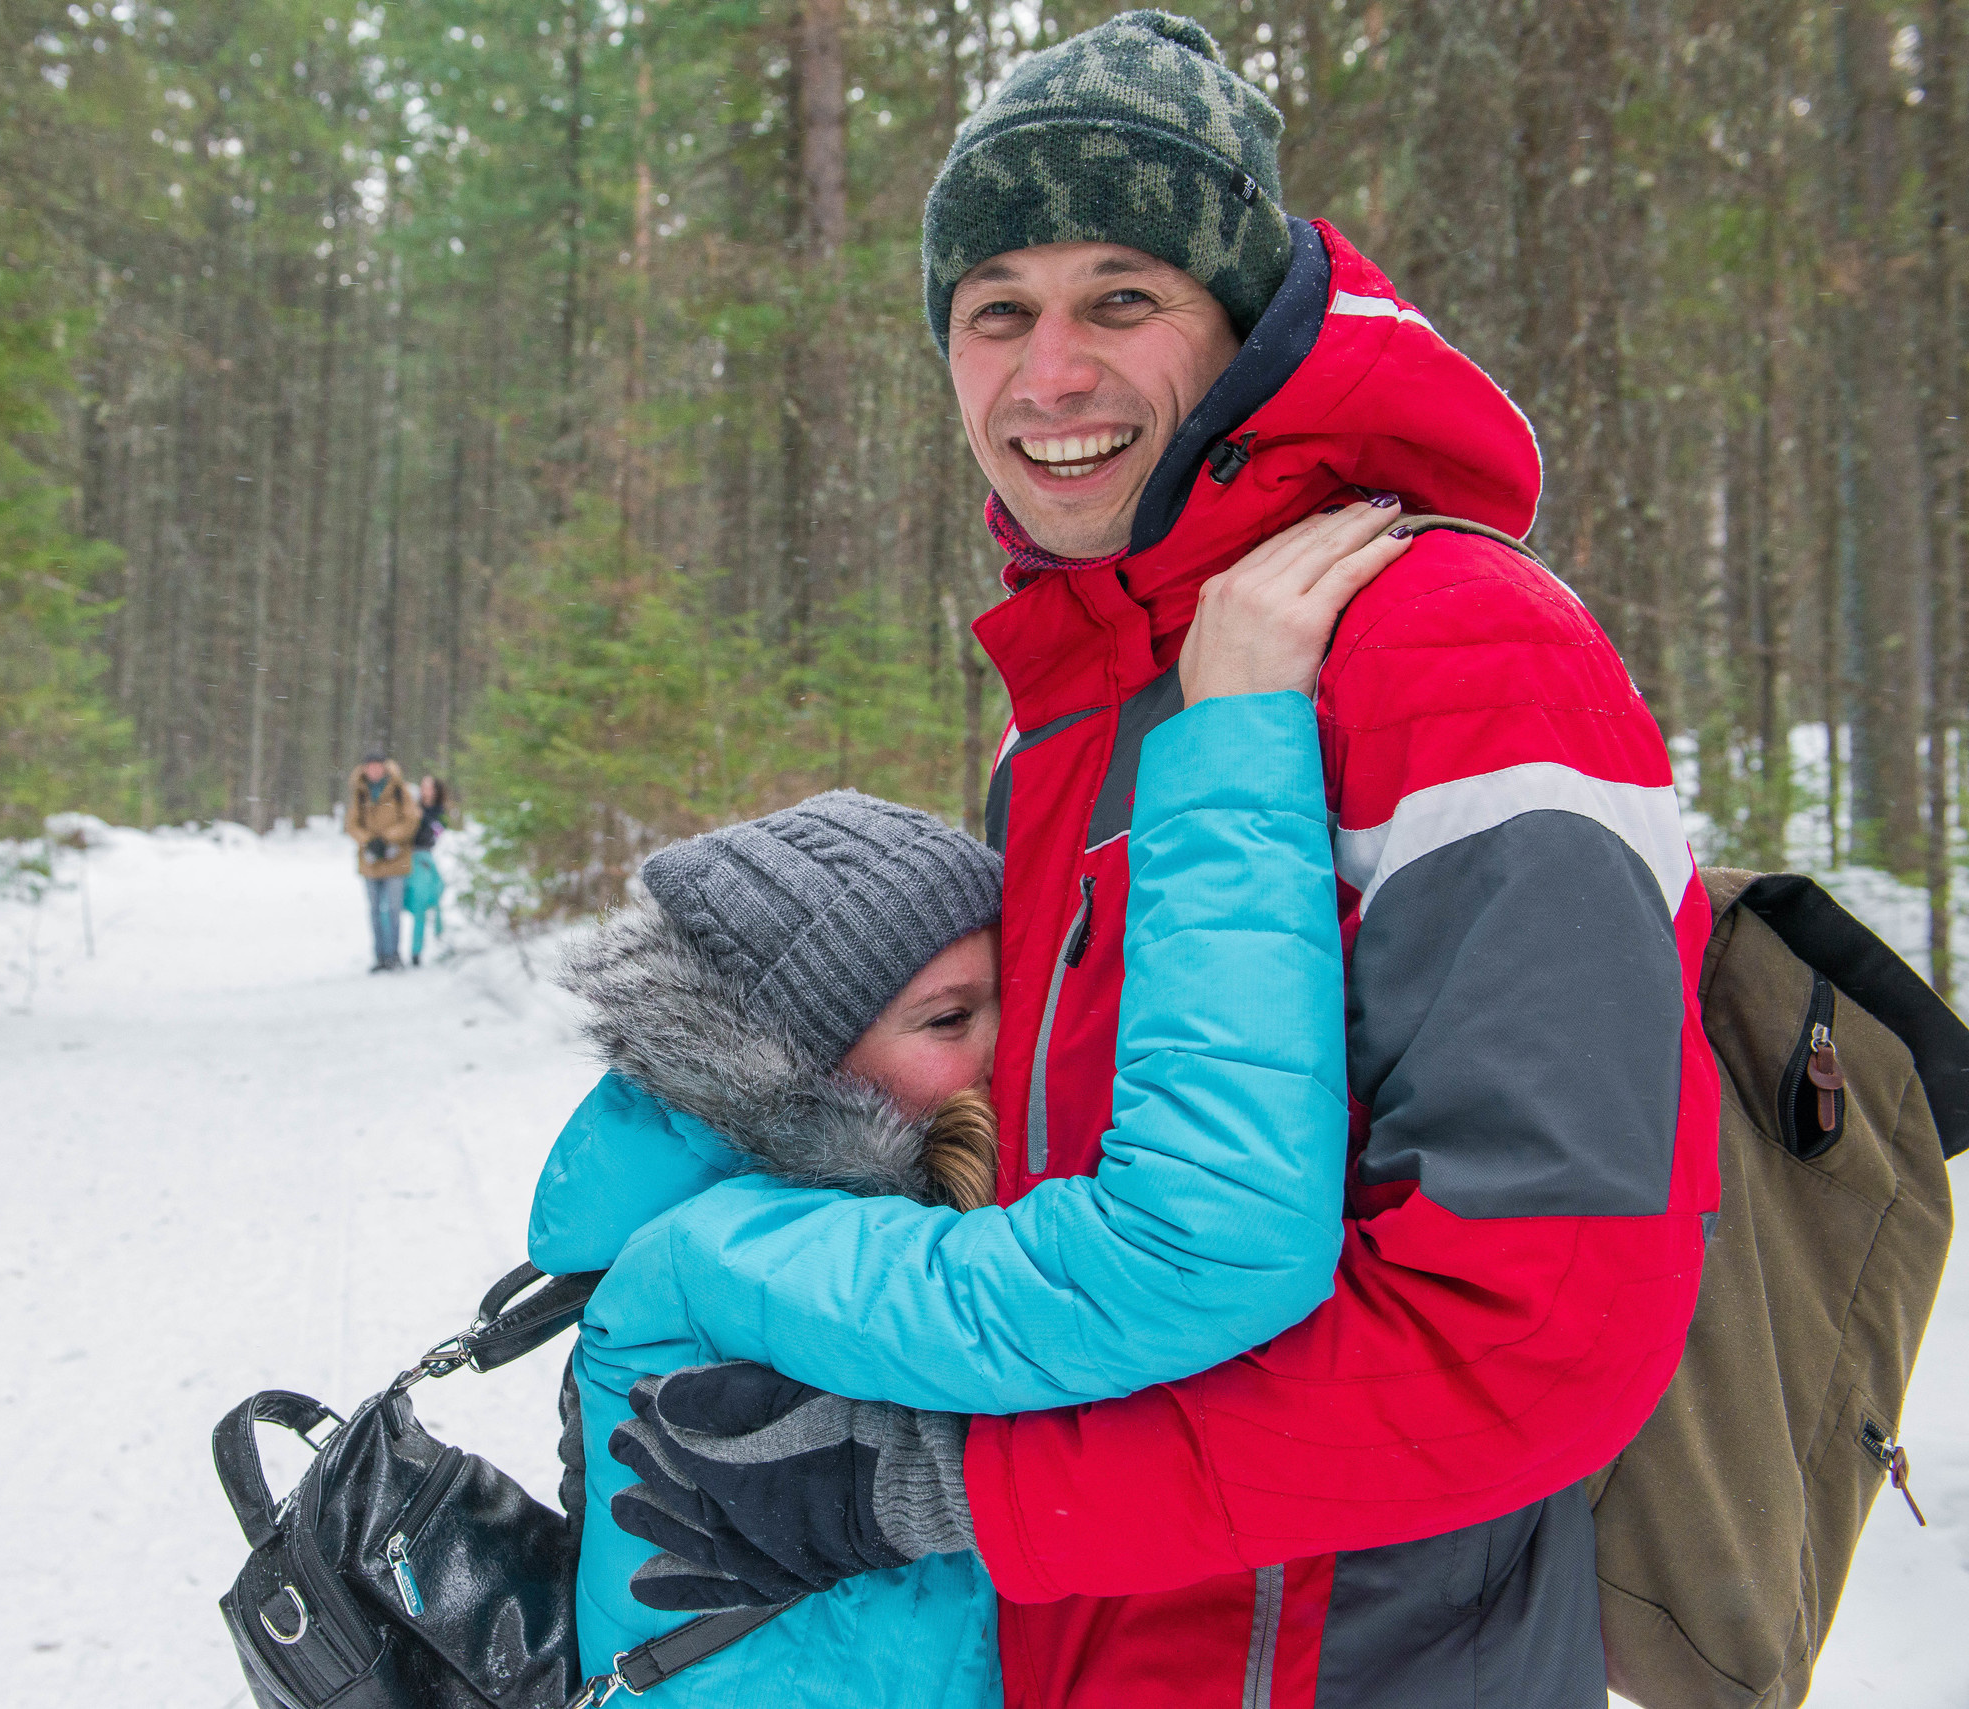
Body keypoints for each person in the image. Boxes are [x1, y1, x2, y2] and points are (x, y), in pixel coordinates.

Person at [596, 13, 1719, 1709]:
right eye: (998, 313)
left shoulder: (1462, 648)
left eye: (1122, 298)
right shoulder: (1077, 712)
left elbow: (1535, 1330)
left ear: (1244, 319)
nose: (1051, 377)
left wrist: (955, 1487)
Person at [533, 516, 1406, 1706]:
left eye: (1011, 998)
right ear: (794, 1073)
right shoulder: (729, 1257)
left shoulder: (773, 1222)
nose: (1007, 1053)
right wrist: (1234, 738)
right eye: (946, 1022)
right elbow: (1181, 1265)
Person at [344, 746, 417, 973]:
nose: (373, 770)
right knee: (375, 910)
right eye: (370, 766)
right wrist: (369, 842)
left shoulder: (398, 789)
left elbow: (411, 819)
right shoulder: (360, 791)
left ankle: (394, 955)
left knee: (393, 910)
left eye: (377, 766)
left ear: (384, 767)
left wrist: (387, 839)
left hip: (396, 859)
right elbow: (352, 824)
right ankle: (380, 957)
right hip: (371, 862)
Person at [403, 776, 447, 966]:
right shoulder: (412, 807)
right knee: (414, 904)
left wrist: (424, 818)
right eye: (423, 786)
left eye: (429, 787)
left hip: (426, 860)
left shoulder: (439, 812)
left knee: (429, 901)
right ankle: (411, 950)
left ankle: (422, 946)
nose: (425, 790)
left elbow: (438, 831)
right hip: (408, 859)